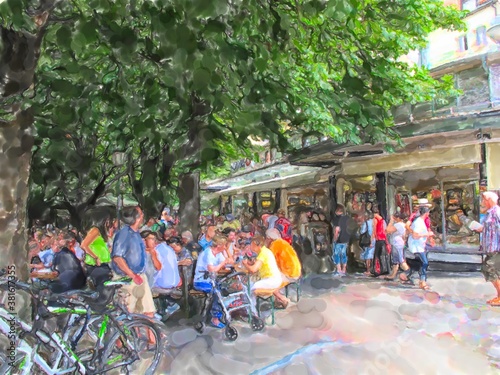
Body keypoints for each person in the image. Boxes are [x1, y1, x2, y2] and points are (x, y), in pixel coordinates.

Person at [112, 206, 156, 320]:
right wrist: (132, 275)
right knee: (128, 313)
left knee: (148, 311)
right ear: (136, 217)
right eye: (141, 214)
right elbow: (117, 257)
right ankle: (126, 337)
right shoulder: (124, 233)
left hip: (139, 276)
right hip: (128, 278)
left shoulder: (136, 233)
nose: (142, 216)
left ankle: (151, 337)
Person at [193, 235, 233, 328]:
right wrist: (223, 263)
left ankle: (222, 314)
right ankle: (215, 318)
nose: (225, 247)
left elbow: (230, 262)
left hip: (211, 281)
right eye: (224, 245)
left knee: (224, 289)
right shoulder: (208, 253)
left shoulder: (218, 253)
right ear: (219, 245)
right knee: (217, 292)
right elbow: (212, 269)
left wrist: (226, 254)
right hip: (201, 282)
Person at [473, 191, 500, 306]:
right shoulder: (490, 213)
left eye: (484, 200)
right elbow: (489, 227)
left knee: (489, 269)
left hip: (496, 248)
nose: (483, 202)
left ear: (489, 200)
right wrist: (480, 228)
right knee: (492, 270)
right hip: (491, 247)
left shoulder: (496, 212)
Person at [265, 229, 302, 309]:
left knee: (269, 282)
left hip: (289, 274)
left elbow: (269, 261)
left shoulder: (274, 245)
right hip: (296, 272)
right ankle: (278, 300)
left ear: (269, 238)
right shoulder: (283, 242)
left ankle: (284, 300)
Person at [242, 235, 282, 306]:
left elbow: (253, 270)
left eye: (252, 244)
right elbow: (257, 264)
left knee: (250, 289)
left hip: (271, 280)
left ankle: (251, 309)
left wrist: (245, 264)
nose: (251, 246)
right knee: (251, 283)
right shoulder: (265, 251)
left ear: (257, 245)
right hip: (276, 278)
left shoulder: (263, 253)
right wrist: (250, 263)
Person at [80, 208, 115, 289]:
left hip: (101, 264)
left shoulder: (98, 231)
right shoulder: (95, 230)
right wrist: (96, 257)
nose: (108, 222)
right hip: (97, 265)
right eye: (107, 219)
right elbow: (84, 245)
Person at [407, 207, 433, 290]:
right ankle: (422, 281)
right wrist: (427, 235)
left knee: (420, 263)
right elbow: (415, 235)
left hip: (420, 246)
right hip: (416, 246)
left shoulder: (420, 221)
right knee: (424, 263)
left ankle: (409, 275)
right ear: (426, 213)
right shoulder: (419, 222)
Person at [385, 212, 410, 280]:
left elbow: (387, 230)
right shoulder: (403, 224)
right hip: (399, 243)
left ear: (398, 218)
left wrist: (391, 222)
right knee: (395, 260)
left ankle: (408, 273)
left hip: (397, 244)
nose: (394, 219)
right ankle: (393, 275)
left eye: (395, 217)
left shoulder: (398, 225)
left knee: (400, 260)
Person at [331, 204, 353, 275]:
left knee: (337, 254)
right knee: (344, 254)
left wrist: (335, 238)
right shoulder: (347, 218)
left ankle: (339, 269)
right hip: (345, 239)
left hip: (339, 240)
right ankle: (344, 269)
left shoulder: (336, 219)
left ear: (337, 211)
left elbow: (337, 230)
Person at [371, 206, 391, 277]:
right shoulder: (382, 220)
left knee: (376, 255)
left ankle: (377, 270)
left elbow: (374, 230)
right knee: (382, 254)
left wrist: (371, 240)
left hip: (378, 238)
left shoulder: (375, 219)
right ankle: (384, 269)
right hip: (383, 238)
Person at [359, 211, 375, 276]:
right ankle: (373, 268)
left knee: (368, 255)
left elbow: (362, 231)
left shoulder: (366, 223)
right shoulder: (375, 222)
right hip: (376, 239)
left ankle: (368, 270)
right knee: (373, 255)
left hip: (368, 240)